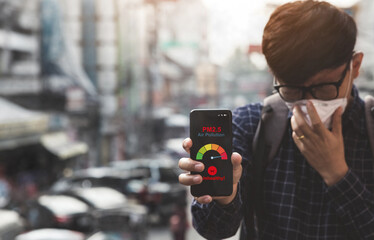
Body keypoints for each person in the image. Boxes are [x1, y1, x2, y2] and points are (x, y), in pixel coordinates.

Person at [178, 1, 374, 239]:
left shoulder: (369, 129)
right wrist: (223, 196)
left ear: (355, 66)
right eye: (291, 89)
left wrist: (337, 174)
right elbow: (214, 229)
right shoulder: (252, 125)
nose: (308, 104)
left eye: (323, 88)